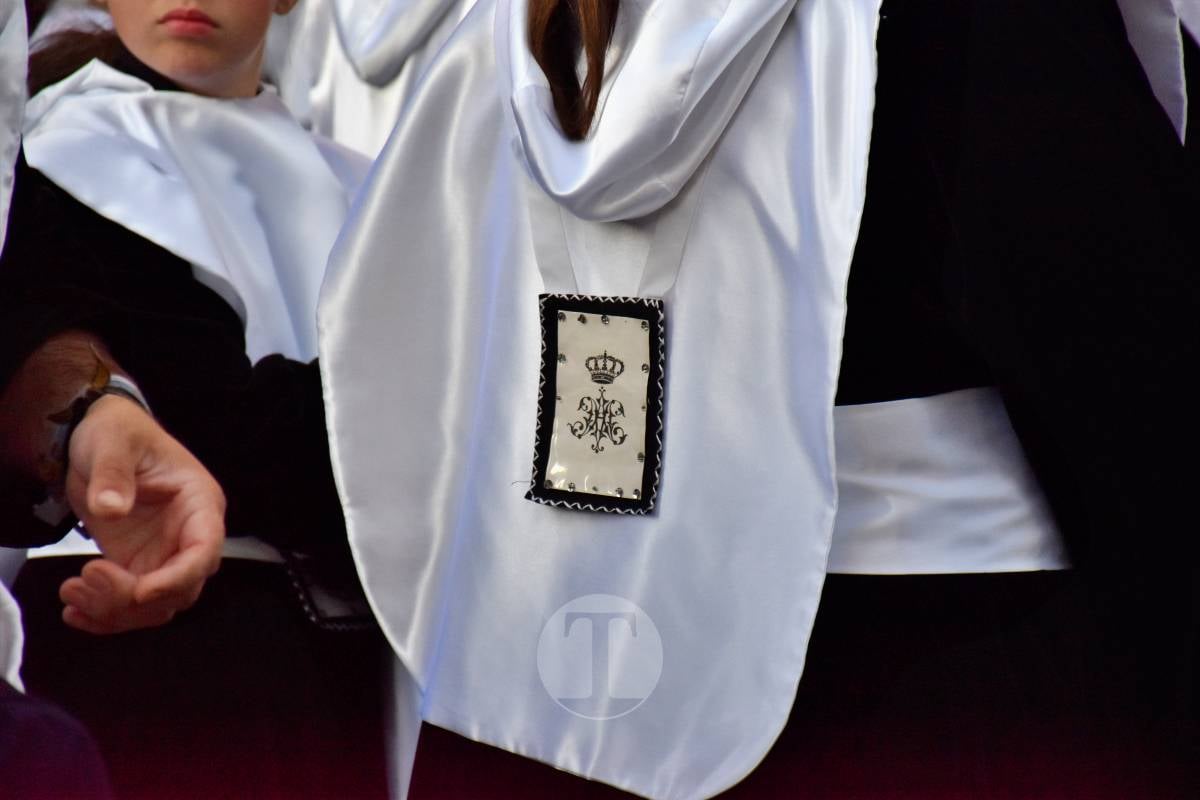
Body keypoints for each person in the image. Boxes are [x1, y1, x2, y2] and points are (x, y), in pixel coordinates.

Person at [319, 0, 1197, 798]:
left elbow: (418, 338)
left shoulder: (520, 32)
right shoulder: (962, 21)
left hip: (564, 673)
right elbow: (1119, 347)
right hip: (951, 671)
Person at [2, 1, 391, 797]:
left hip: (338, 667)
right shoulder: (62, 156)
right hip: (154, 656)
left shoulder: (365, 184)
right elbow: (226, 431)